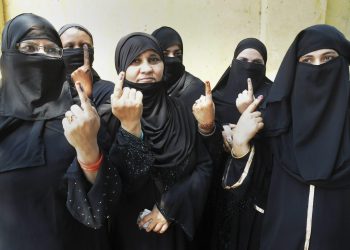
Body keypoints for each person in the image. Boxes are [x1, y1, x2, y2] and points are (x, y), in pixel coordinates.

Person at [0, 13, 146, 250]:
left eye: (50, 50)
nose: (40, 56)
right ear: (7, 55)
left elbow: (107, 202)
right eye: (28, 47)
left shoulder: (82, 118)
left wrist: (89, 150)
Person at [231, 25, 350, 250]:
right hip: (279, 238)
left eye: (328, 58)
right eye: (307, 60)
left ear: (343, 62)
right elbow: (249, 187)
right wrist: (241, 141)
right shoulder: (276, 117)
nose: (317, 67)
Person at [104, 32, 212, 250]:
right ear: (121, 69)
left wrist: (170, 206)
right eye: (135, 61)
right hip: (131, 235)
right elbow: (112, 185)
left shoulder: (182, 110)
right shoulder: (109, 117)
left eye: (154, 59)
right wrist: (130, 128)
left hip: (177, 229)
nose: (147, 69)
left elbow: (204, 166)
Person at [192, 38, 272, 250]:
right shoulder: (214, 99)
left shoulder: (272, 100)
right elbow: (200, 147)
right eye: (243, 60)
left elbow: (274, 146)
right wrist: (216, 131)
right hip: (214, 189)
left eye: (257, 63)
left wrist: (249, 113)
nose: (249, 66)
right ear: (232, 63)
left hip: (252, 195)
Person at [58, 23, 114, 106]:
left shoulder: (109, 91)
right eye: (69, 46)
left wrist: (86, 94)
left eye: (85, 46)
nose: (77, 50)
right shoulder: (51, 92)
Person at [152, 26, 205, 109]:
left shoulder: (196, 89)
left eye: (177, 54)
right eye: (165, 54)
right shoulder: (146, 87)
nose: (172, 59)